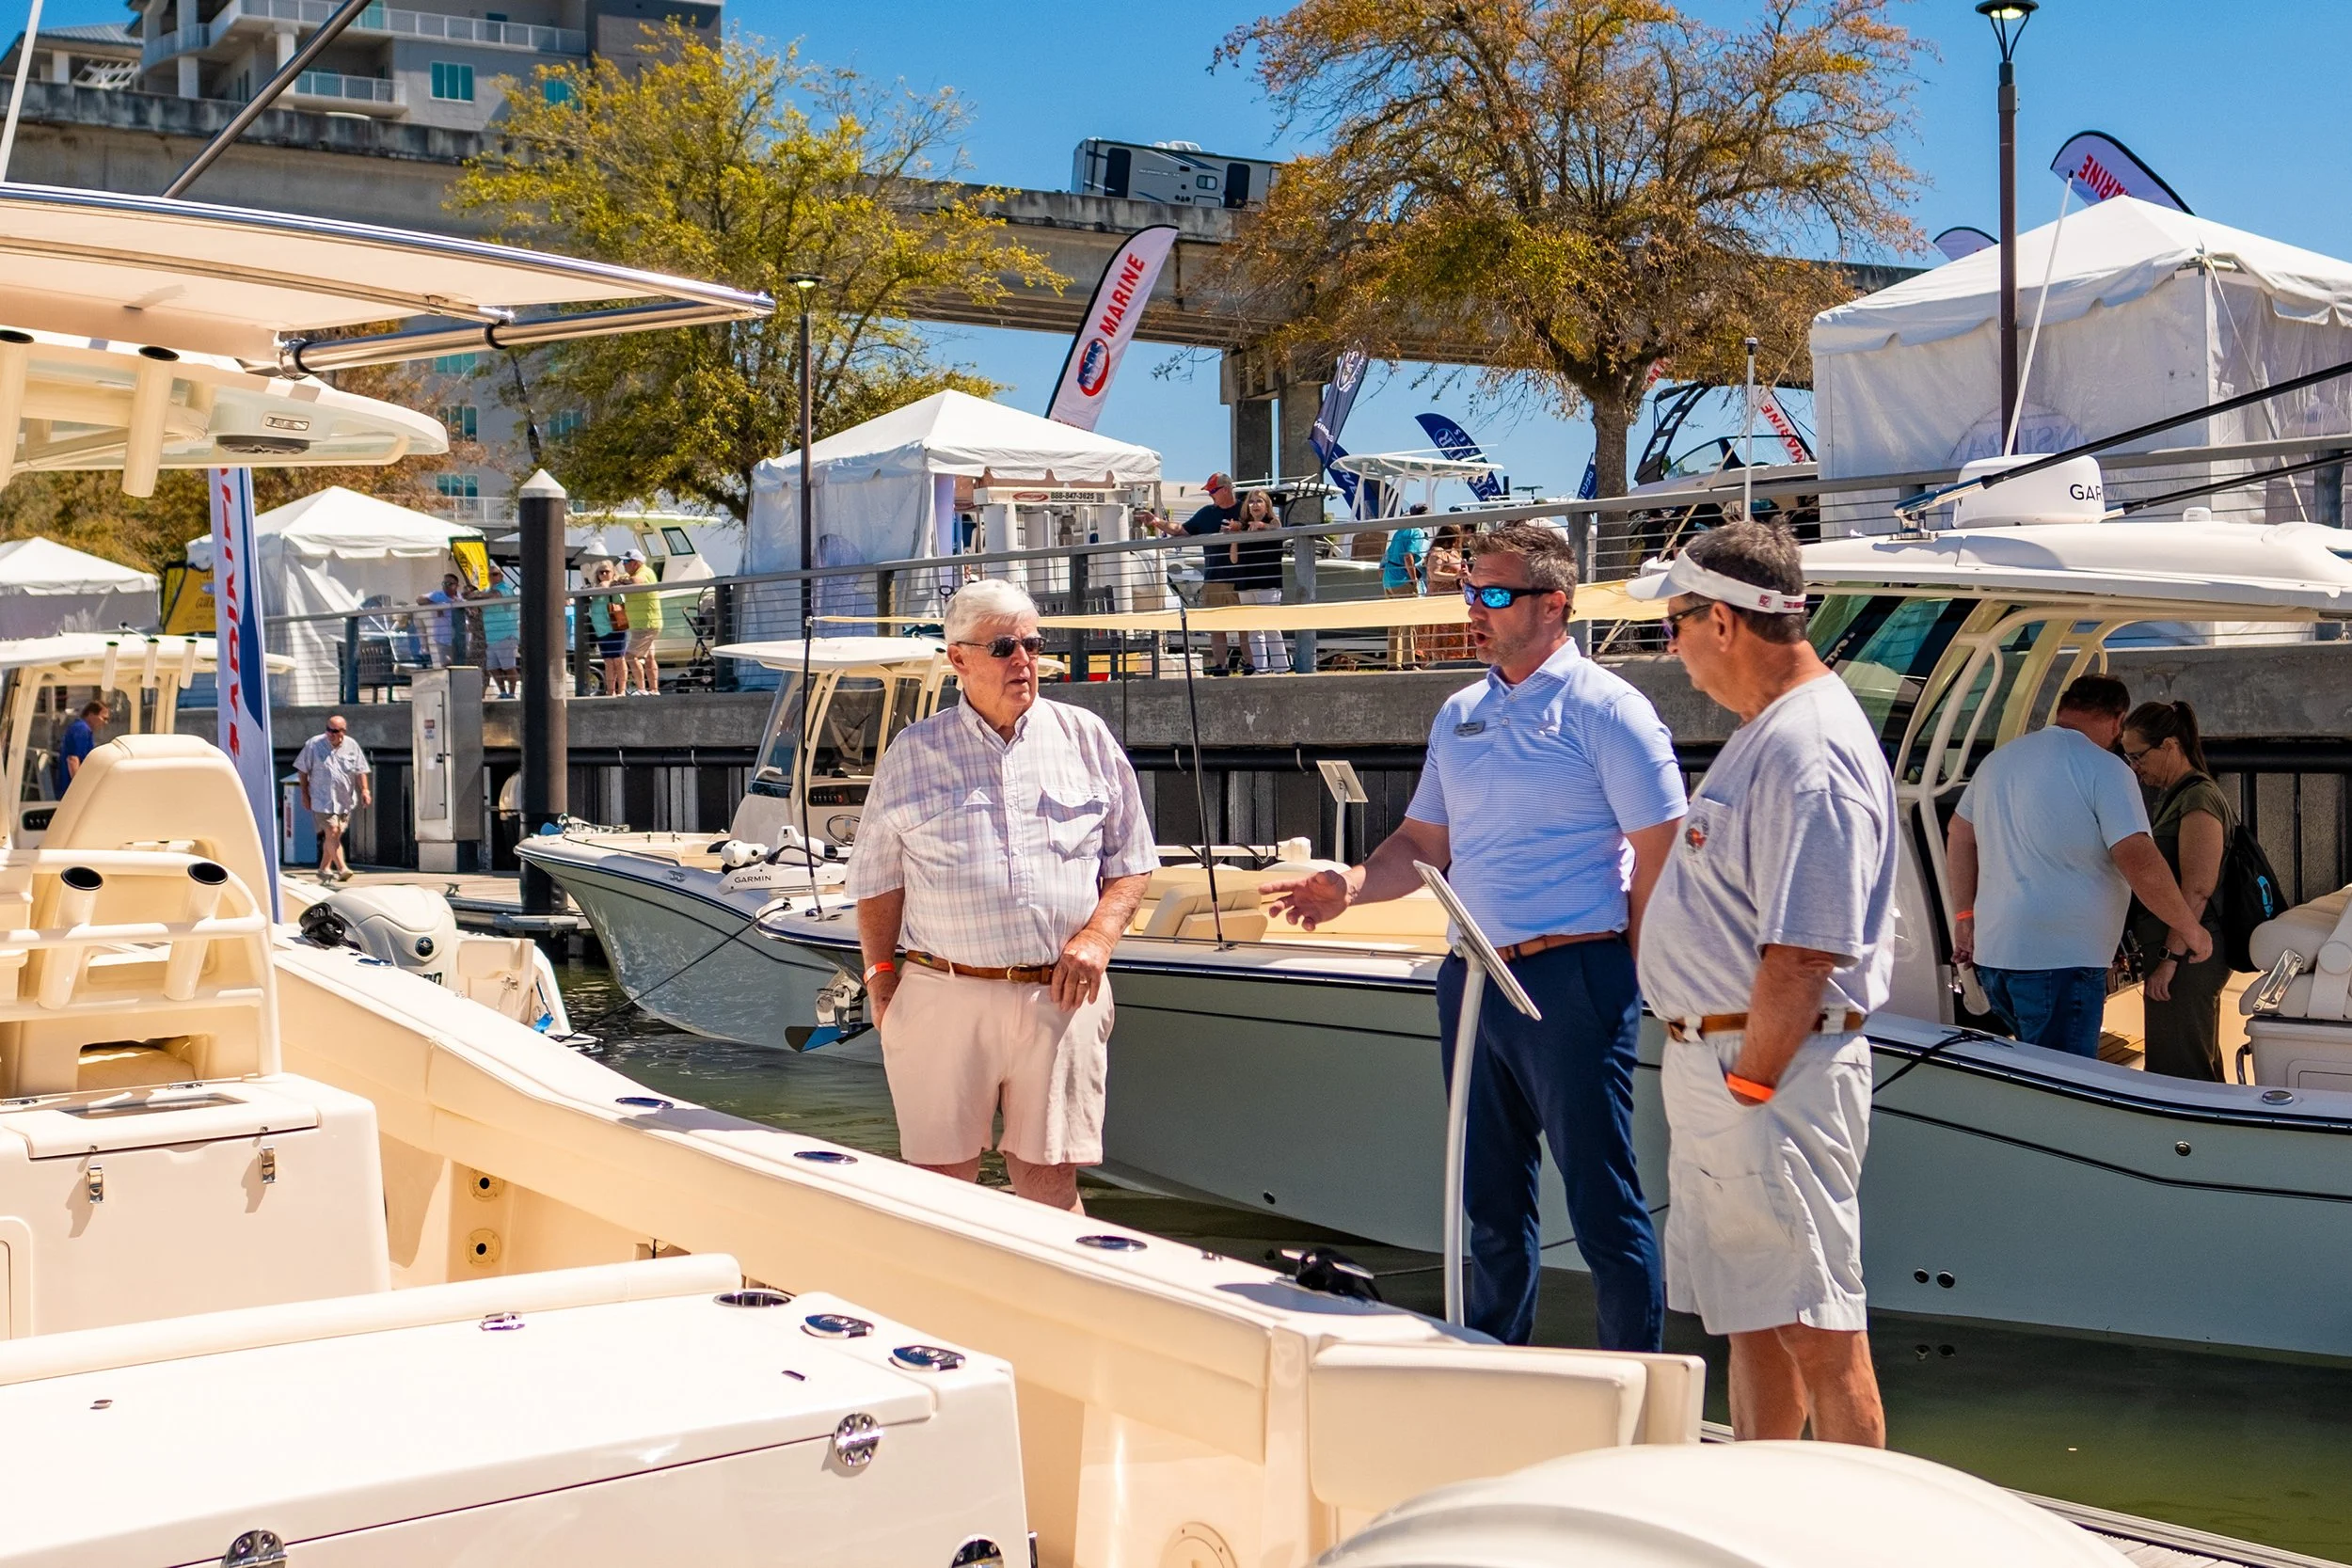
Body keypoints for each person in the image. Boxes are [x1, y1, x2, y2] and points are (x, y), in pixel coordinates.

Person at [1263, 520, 1686, 1350]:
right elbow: (1424, 842)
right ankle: (1492, 1365)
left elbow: (1662, 853)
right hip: (1472, 977)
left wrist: (1631, 974)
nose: (1473, 610)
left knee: (1603, 1204)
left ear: (1553, 604)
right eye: (1468, 591)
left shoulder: (1609, 709)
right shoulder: (1460, 712)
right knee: (1488, 1200)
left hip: (1574, 977)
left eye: (1493, 593)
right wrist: (1351, 885)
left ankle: (1638, 1388)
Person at [1627, 519, 1895, 1445]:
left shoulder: (1808, 747)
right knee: (1753, 1315)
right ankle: (1764, 1499)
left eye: (1674, 624)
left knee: (1818, 1325)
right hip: (1736, 1062)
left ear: (1724, 622)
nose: (1672, 646)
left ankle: (1855, 1515)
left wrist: (1748, 1081)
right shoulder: (1772, 732)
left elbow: (1805, 951)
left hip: (1768, 1071)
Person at [848, 578, 1158, 1212]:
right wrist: (879, 976)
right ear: (958, 659)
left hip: (1060, 997)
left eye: (1032, 644)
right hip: (942, 991)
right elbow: (877, 878)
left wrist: (1099, 938)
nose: (1023, 659)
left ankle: (1060, 1282)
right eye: (1004, 647)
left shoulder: (1086, 736)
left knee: (1050, 1183)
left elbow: (1132, 861)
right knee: (936, 1183)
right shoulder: (913, 752)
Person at [1946, 675, 2211, 1057]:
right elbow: (2138, 859)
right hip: (2061, 960)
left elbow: (1958, 834)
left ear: (2063, 709)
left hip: (1995, 956)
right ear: (2118, 720)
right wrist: (2190, 929)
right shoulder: (2105, 768)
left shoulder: (1998, 762)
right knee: (2062, 1080)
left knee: (2033, 1070)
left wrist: (1964, 917)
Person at [2122, 700, 2233, 1081]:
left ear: (2169, 745)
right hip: (2181, 951)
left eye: (2138, 756)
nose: (2135, 768)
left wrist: (2169, 960)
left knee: (2178, 1071)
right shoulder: (2177, 796)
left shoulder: (2199, 798)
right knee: (2193, 1062)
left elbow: (2197, 888)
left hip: (2187, 957)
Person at [1146, 473, 1242, 673]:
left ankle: (1253, 665)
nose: (1210, 495)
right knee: (1216, 627)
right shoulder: (1206, 513)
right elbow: (1180, 529)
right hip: (1214, 578)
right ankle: (1220, 666)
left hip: (1244, 579)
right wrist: (1156, 521)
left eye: (1213, 491)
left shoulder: (1245, 510)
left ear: (1226, 489)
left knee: (1246, 627)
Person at [294, 714, 373, 885]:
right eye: (328, 730)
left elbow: (360, 770)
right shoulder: (313, 744)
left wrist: (365, 790)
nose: (330, 734)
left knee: (333, 837)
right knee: (333, 831)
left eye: (335, 731)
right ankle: (342, 868)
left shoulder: (352, 745)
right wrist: (305, 794)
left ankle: (323, 869)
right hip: (321, 799)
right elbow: (302, 770)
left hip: (344, 800)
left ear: (343, 731)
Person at [1230, 488, 1292, 674]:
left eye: (1259, 501)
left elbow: (1277, 528)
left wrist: (1261, 526)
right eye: (1251, 501)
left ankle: (1281, 668)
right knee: (1253, 629)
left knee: (1271, 626)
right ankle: (1261, 669)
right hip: (1245, 582)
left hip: (1268, 583)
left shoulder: (1273, 522)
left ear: (1266, 505)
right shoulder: (1243, 526)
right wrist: (1234, 537)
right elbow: (1234, 559)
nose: (1254, 505)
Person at [1382, 505, 1433, 669]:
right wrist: (1414, 580)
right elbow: (1408, 557)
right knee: (1409, 623)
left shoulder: (1400, 531)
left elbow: (1388, 556)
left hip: (1389, 578)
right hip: (1402, 579)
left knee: (1394, 624)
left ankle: (1393, 663)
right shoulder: (1417, 532)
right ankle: (1409, 663)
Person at [618, 549, 665, 696]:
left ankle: (641, 689)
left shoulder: (644, 572)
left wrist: (623, 581)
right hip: (643, 623)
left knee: (630, 656)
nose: (623, 564)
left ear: (635, 563)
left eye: (626, 562)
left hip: (645, 624)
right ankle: (654, 690)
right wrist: (621, 579)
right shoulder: (632, 574)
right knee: (649, 658)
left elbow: (637, 581)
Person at [1422, 524, 1471, 661]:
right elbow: (1433, 573)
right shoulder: (1438, 552)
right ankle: (1438, 660)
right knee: (1441, 630)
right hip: (1440, 599)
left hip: (1455, 597)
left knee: (1451, 631)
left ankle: (1450, 659)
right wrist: (1455, 576)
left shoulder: (1454, 553)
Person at [585, 560, 630, 697]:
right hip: (601, 630)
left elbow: (607, 588)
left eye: (607, 571)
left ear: (613, 572)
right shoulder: (595, 588)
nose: (604, 574)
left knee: (618, 660)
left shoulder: (615, 585)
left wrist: (605, 584)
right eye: (601, 572)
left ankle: (622, 690)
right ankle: (610, 691)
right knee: (608, 662)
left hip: (615, 627)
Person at [475, 578, 520, 699]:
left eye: (495, 574)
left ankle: (512, 694)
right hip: (491, 636)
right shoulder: (487, 590)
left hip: (505, 634)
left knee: (508, 666)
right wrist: (476, 595)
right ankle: (503, 692)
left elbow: (495, 595)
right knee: (492, 667)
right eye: (490, 574)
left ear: (500, 576)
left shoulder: (506, 588)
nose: (492, 576)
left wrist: (477, 595)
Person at [52, 700, 105, 796]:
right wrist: (79, 789)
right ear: (91, 715)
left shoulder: (79, 727)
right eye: (103, 718)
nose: (105, 722)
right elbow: (73, 759)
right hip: (71, 789)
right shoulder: (82, 729)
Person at [421, 572, 464, 669]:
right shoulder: (437, 595)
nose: (446, 586)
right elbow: (419, 600)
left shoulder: (461, 598)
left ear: (457, 586)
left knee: (460, 666)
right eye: (444, 583)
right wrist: (438, 603)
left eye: (450, 584)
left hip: (459, 638)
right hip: (442, 638)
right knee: (446, 667)